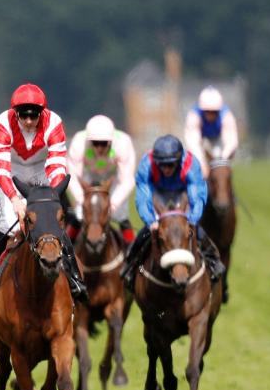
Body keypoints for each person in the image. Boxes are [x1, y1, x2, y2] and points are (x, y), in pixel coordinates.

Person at [0, 83, 87, 311]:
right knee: (6, 225)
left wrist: (50, 198)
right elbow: (2, 171)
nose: (30, 120)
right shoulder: (2, 124)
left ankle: (74, 279)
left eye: (34, 115)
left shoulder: (54, 123)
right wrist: (15, 200)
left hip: (42, 170)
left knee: (51, 223)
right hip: (12, 172)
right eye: (24, 115)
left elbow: (56, 167)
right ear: (15, 113)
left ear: (42, 113)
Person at [119, 135, 224, 289]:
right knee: (145, 234)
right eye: (162, 165)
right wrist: (150, 221)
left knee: (196, 231)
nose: (166, 169)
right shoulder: (146, 164)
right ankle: (130, 265)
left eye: (170, 165)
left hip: (183, 195)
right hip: (158, 196)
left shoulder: (191, 164)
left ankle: (213, 261)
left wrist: (192, 220)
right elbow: (143, 197)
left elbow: (197, 196)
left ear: (179, 160)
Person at [66, 114, 136, 243]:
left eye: (103, 144)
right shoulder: (78, 142)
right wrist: (82, 200)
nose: (99, 148)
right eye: (95, 143)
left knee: (120, 214)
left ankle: (133, 256)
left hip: (113, 178)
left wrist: (113, 204)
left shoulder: (123, 143)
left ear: (111, 141)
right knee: (79, 213)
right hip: (88, 176)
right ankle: (66, 251)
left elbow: (127, 180)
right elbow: (73, 177)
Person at [184, 86, 239, 177]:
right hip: (201, 141)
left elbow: (231, 141)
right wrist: (202, 164)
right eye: (207, 112)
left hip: (217, 140)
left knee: (219, 163)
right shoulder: (194, 115)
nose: (210, 115)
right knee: (195, 167)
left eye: (214, 112)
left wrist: (222, 162)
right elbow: (193, 143)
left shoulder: (226, 115)